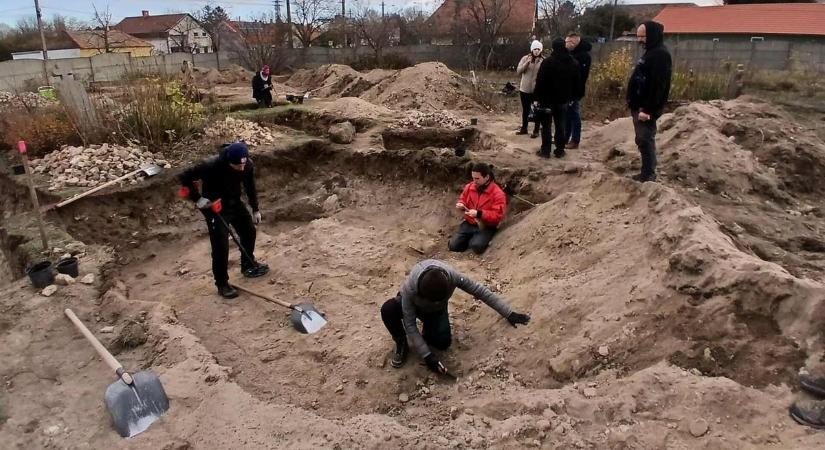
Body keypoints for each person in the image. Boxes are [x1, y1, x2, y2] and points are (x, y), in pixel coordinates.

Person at [380, 259, 531, 372]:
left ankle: (428, 330)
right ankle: (401, 342)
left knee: (442, 343)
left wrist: (509, 313)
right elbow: (410, 323)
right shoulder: (409, 290)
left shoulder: (452, 276)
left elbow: (480, 291)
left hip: (436, 312)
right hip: (413, 306)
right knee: (388, 309)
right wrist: (426, 355)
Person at [179, 142, 269, 299]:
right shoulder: (210, 165)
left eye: (243, 165)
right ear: (229, 161)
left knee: (249, 232)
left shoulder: (247, 165)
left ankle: (248, 265)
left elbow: (250, 186)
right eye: (237, 166)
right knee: (221, 246)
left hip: (234, 202)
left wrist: (255, 209)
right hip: (214, 207)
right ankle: (222, 284)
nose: (241, 169)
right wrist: (198, 199)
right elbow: (184, 177)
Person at [627, 21, 672, 182]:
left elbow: (658, 86)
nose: (639, 40)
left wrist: (648, 109)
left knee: (645, 140)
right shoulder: (651, 52)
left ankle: (648, 175)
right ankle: (646, 172)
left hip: (646, 109)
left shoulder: (660, 55)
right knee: (641, 139)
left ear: (651, 35)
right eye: (638, 36)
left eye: (642, 36)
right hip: (639, 106)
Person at [533, 37, 580, 159]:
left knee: (546, 126)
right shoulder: (573, 63)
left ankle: (545, 151)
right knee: (561, 126)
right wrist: (573, 97)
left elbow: (540, 81)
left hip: (547, 101)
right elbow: (577, 83)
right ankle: (560, 150)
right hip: (563, 100)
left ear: (553, 48)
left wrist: (536, 98)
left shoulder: (548, 62)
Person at [448, 163, 507, 255]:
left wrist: (479, 214)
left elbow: (497, 216)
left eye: (477, 178)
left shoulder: (498, 194)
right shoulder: (469, 187)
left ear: (487, 177)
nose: (474, 181)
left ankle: (478, 239)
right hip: (469, 222)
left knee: (477, 246)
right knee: (453, 246)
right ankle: (469, 239)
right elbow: (463, 198)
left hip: (486, 226)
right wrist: (461, 204)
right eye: (473, 178)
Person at [565, 32, 592, 150]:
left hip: (576, 90)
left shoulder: (583, 56)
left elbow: (581, 78)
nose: (565, 44)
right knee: (567, 114)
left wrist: (574, 92)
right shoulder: (571, 53)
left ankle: (575, 140)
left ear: (574, 42)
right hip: (568, 89)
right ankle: (565, 137)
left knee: (574, 114)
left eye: (567, 42)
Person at [516, 40, 544, 138]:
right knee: (526, 110)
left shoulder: (543, 60)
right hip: (524, 89)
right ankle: (524, 128)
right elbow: (518, 71)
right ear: (532, 49)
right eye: (535, 49)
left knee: (537, 110)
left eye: (538, 49)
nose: (536, 51)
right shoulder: (525, 58)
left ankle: (536, 130)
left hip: (537, 91)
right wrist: (527, 63)